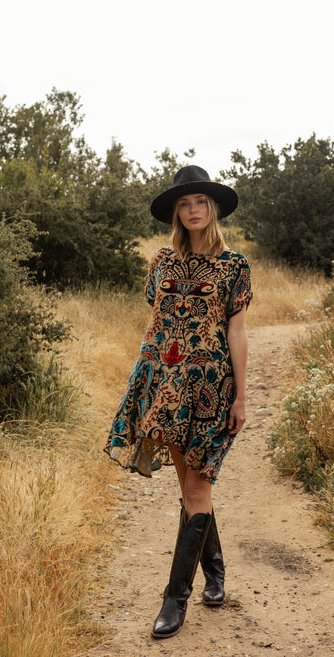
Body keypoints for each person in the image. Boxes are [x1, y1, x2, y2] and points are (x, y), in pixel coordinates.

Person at [104, 165, 252, 639]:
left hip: (212, 390)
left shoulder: (235, 266)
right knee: (188, 488)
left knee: (197, 488)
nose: (192, 210)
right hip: (166, 387)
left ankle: (174, 600)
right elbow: (157, 324)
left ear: (213, 209)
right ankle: (216, 572)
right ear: (177, 212)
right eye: (185, 203)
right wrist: (144, 383)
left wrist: (242, 397)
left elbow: (237, 331)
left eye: (200, 202)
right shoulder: (160, 262)